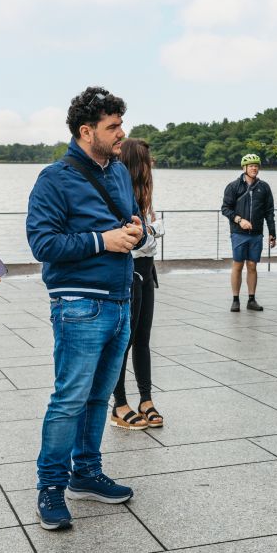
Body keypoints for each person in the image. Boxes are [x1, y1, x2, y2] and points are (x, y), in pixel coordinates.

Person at [27, 86, 146, 531]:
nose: (121, 133)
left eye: (120, 124)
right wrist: (103, 240)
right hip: (78, 305)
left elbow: (133, 220)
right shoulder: (53, 179)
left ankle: (87, 473)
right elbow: (42, 244)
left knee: (99, 398)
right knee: (69, 399)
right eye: (112, 127)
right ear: (85, 131)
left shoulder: (117, 171)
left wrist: (138, 230)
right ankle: (51, 487)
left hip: (120, 299)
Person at [111, 138, 164, 431]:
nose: (151, 163)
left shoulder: (145, 195)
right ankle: (119, 403)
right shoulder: (120, 193)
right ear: (137, 162)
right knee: (125, 341)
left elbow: (150, 234)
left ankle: (146, 398)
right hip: (129, 270)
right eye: (147, 158)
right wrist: (151, 232)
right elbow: (139, 238)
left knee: (143, 337)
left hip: (147, 268)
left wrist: (150, 232)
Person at [221, 153, 276, 312]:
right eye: (251, 166)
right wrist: (239, 220)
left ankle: (251, 300)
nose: (254, 168)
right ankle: (235, 299)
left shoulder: (264, 187)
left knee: (252, 265)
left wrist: (272, 232)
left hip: (257, 233)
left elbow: (269, 212)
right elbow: (225, 209)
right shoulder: (233, 186)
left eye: (256, 166)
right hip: (238, 233)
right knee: (238, 265)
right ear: (244, 168)